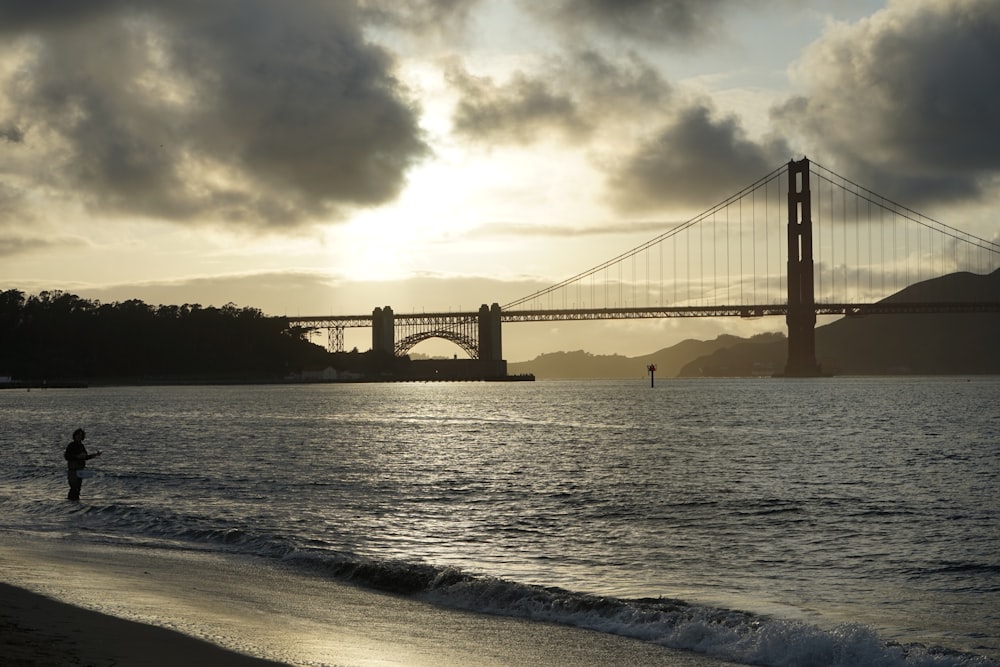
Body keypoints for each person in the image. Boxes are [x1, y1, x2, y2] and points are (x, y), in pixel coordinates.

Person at [64, 428, 101, 501]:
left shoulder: (81, 446)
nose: (79, 437)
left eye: (81, 435)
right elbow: (67, 456)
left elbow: (85, 457)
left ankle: (74, 503)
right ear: (74, 436)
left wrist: (95, 455)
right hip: (73, 470)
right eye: (78, 435)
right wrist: (77, 456)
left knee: (78, 488)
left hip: (80, 470)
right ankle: (70, 503)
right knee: (74, 488)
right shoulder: (71, 445)